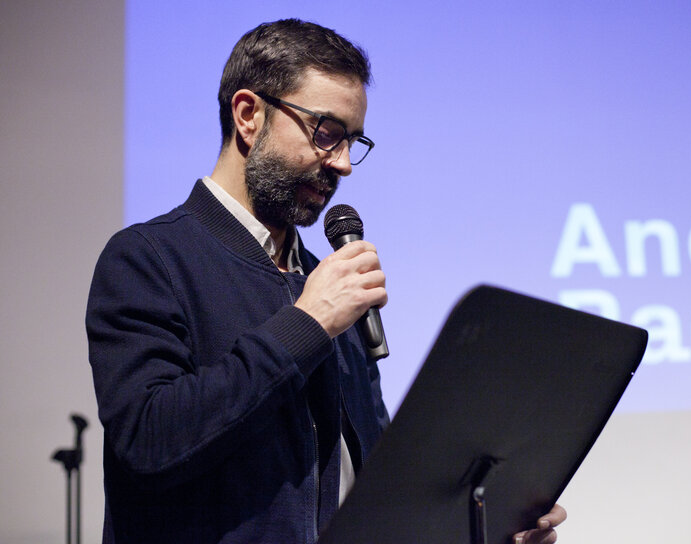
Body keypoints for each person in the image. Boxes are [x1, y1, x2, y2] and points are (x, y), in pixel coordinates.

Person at [86, 19, 565, 544]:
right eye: (326, 132)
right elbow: (148, 440)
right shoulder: (148, 258)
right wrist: (307, 324)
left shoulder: (327, 280)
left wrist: (484, 527)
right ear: (249, 115)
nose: (342, 163)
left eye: (353, 141)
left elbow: (375, 493)